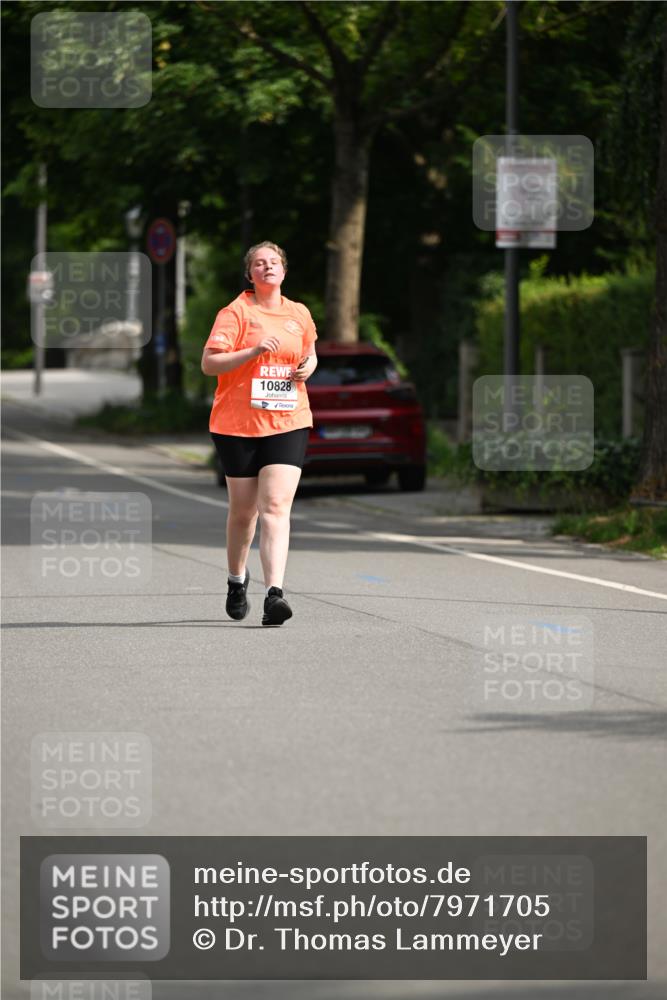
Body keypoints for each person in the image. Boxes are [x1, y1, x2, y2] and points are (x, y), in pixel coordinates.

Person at [201, 241, 318, 626]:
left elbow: (310, 351)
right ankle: (237, 580)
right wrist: (251, 353)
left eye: (274, 263)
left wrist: (308, 367)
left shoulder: (298, 313)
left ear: (284, 271)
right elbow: (209, 364)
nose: (267, 268)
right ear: (250, 274)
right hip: (237, 425)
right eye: (259, 264)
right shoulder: (235, 312)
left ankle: (274, 595)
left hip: (288, 419)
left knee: (276, 507)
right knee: (244, 513)